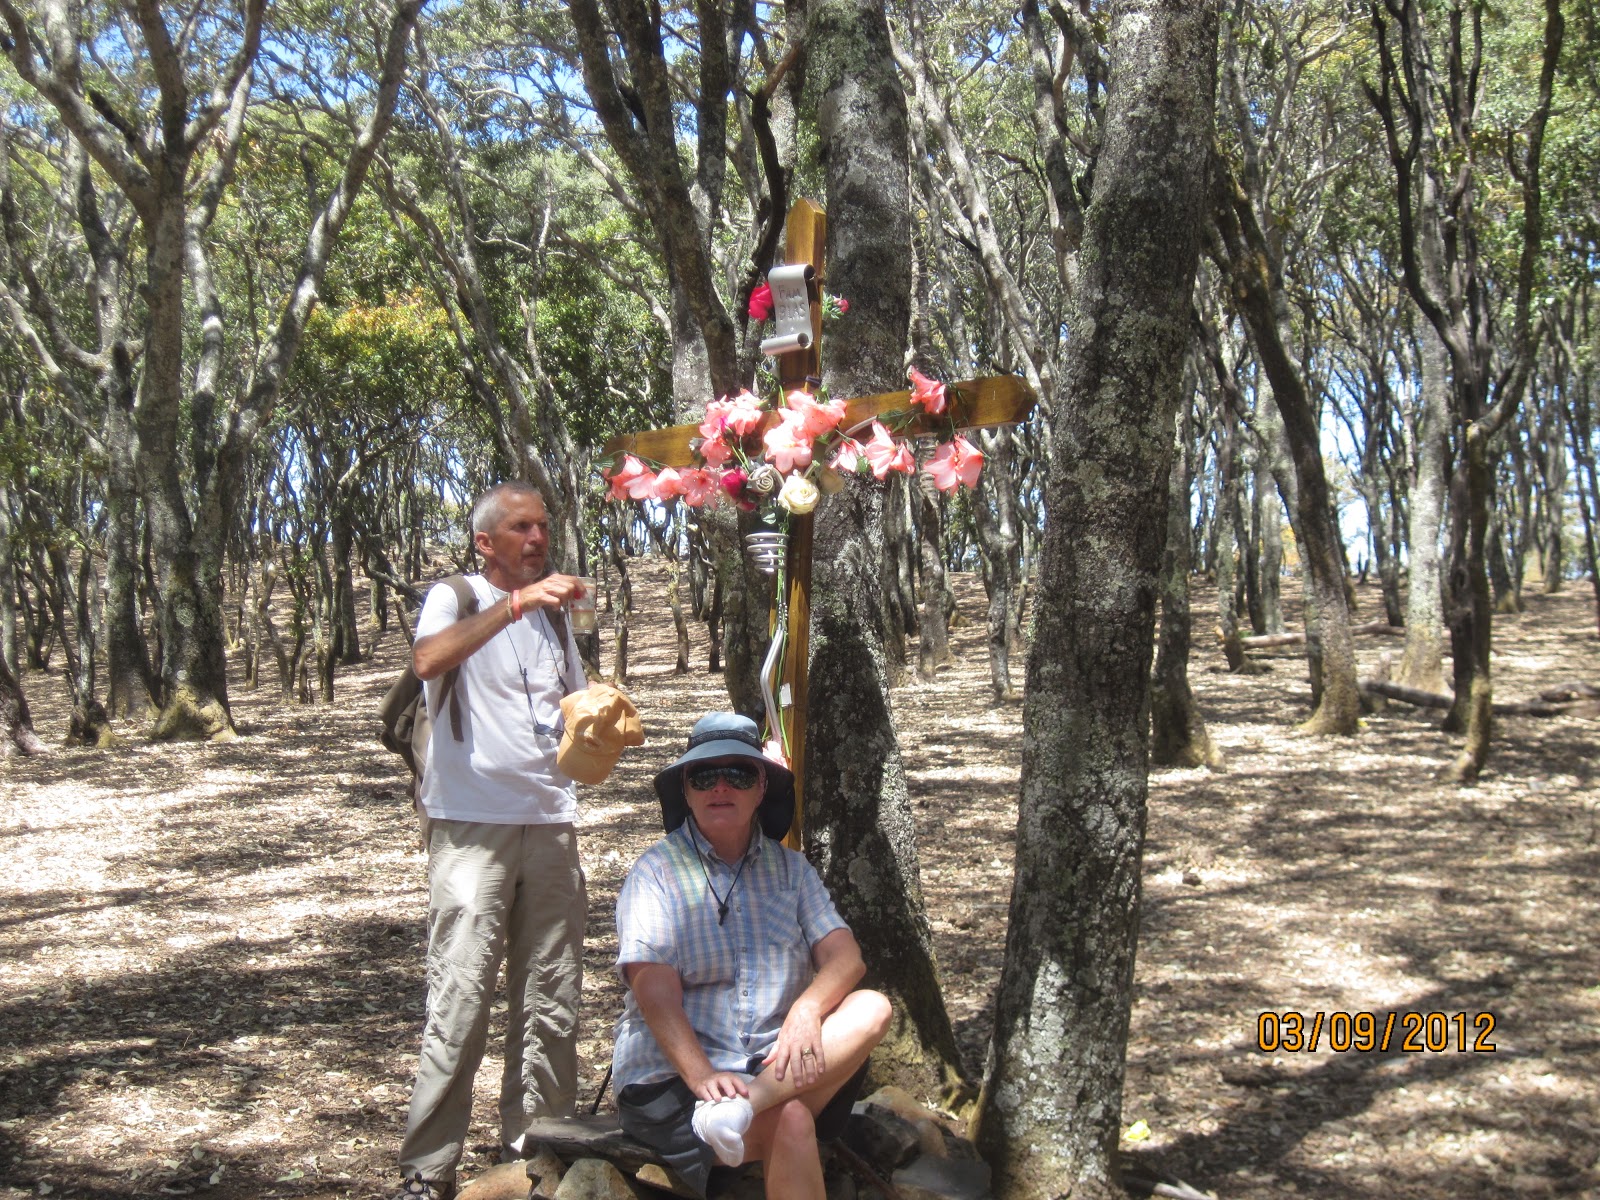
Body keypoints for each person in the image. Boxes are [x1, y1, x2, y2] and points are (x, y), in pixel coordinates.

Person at [393, 482, 589, 1200]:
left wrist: (604, 720)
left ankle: (539, 1154)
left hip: (551, 821)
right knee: (461, 995)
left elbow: (570, 707)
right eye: (520, 527)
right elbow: (427, 661)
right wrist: (514, 605)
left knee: (551, 998)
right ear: (486, 542)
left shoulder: (556, 616)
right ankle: (428, 1169)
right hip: (471, 823)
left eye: (543, 526)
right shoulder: (458, 596)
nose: (537, 538)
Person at [611, 713, 892, 1200]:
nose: (720, 787)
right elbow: (653, 989)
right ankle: (730, 1108)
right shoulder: (654, 872)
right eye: (704, 776)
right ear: (686, 790)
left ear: (762, 787)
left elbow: (847, 958)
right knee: (793, 1119)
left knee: (873, 1006)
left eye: (738, 774)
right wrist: (703, 1077)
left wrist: (807, 1009)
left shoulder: (793, 871)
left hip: (770, 1068)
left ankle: (740, 1110)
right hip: (675, 1078)